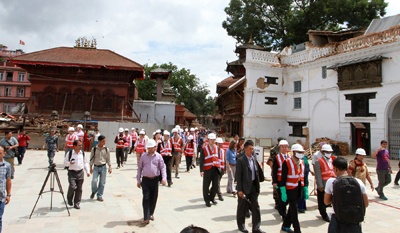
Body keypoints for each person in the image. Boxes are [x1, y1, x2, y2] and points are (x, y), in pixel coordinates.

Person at [324, 157, 368, 233]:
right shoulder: (359, 182)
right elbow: (366, 204)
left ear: (335, 169)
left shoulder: (331, 182)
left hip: (338, 218)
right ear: (347, 168)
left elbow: (326, 202)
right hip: (354, 218)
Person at [236, 140, 265, 233]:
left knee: (255, 207)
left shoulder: (254, 159)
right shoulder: (241, 160)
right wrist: (240, 189)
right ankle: (241, 225)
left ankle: (256, 227)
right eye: (250, 149)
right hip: (244, 187)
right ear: (245, 149)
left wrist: (257, 187)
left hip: (253, 186)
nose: (252, 151)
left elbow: (256, 174)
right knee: (242, 207)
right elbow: (238, 176)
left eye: (253, 149)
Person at [279, 144, 308, 233]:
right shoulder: (287, 162)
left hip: (299, 187)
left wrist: (305, 187)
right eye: (299, 152)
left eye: (302, 152)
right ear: (294, 152)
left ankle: (285, 225)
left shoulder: (302, 162)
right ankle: (297, 230)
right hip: (290, 188)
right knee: (294, 209)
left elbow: (303, 175)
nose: (301, 154)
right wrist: (283, 190)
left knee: (292, 209)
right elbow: (283, 178)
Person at [136, 139, 166, 225]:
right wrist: (138, 180)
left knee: (153, 197)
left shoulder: (158, 156)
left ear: (155, 148)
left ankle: (151, 213)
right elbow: (140, 168)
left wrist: (163, 178)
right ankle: (146, 217)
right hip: (145, 180)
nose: (150, 149)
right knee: (146, 197)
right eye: (148, 148)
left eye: (151, 148)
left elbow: (162, 168)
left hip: (155, 180)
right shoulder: (143, 156)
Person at [64, 140, 90, 209]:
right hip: (72, 172)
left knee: (79, 189)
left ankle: (77, 203)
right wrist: (70, 163)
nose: (80, 147)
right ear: (74, 146)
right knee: (72, 186)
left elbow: (85, 163)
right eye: (79, 145)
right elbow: (65, 163)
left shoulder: (83, 153)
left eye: (81, 145)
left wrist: (87, 171)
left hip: (80, 172)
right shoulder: (69, 153)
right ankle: (69, 198)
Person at [314, 144, 336, 222]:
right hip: (323, 183)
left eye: (330, 152)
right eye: (327, 152)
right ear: (323, 152)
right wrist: (320, 185)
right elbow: (318, 174)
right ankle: (323, 214)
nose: (329, 153)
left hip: (331, 182)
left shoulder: (331, 160)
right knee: (322, 200)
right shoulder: (319, 161)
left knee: (330, 199)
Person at [199, 133, 220, 207]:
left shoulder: (217, 148)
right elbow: (201, 160)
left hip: (215, 169)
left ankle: (212, 197)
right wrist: (201, 170)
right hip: (207, 169)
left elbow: (218, 157)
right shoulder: (204, 149)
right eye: (211, 140)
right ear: (208, 140)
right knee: (206, 185)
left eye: (213, 140)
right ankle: (207, 200)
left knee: (216, 185)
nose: (212, 141)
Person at [272, 140, 291, 219]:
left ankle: (280, 207)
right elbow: (275, 170)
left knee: (287, 199)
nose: (284, 149)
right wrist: (275, 181)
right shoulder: (277, 157)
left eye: (286, 147)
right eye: (282, 147)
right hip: (280, 181)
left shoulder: (290, 157)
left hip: (289, 181)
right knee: (282, 198)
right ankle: (283, 214)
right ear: (280, 148)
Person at [89, 135, 112, 201]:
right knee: (94, 181)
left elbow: (108, 159)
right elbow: (91, 159)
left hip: (103, 167)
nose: (104, 142)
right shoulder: (94, 149)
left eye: (105, 141)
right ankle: (94, 191)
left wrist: (110, 167)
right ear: (99, 141)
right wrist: (90, 167)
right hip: (96, 167)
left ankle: (100, 195)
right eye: (103, 141)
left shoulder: (106, 149)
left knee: (102, 182)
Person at [267, 137, 286, 209]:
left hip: (283, 172)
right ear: (278, 142)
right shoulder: (274, 150)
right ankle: (277, 201)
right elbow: (271, 160)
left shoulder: (284, 149)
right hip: (276, 170)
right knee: (276, 187)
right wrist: (273, 170)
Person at [0, 145, 12, 232]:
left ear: (4, 154)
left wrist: (8, 194)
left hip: (1, 197)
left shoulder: (7, 166)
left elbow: (8, 180)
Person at [215, 137, 226, 201]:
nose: (220, 145)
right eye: (219, 144)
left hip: (221, 168)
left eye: (221, 144)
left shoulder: (223, 151)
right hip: (216, 168)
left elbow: (224, 160)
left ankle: (211, 191)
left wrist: (225, 169)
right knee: (217, 182)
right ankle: (219, 195)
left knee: (217, 182)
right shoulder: (214, 151)